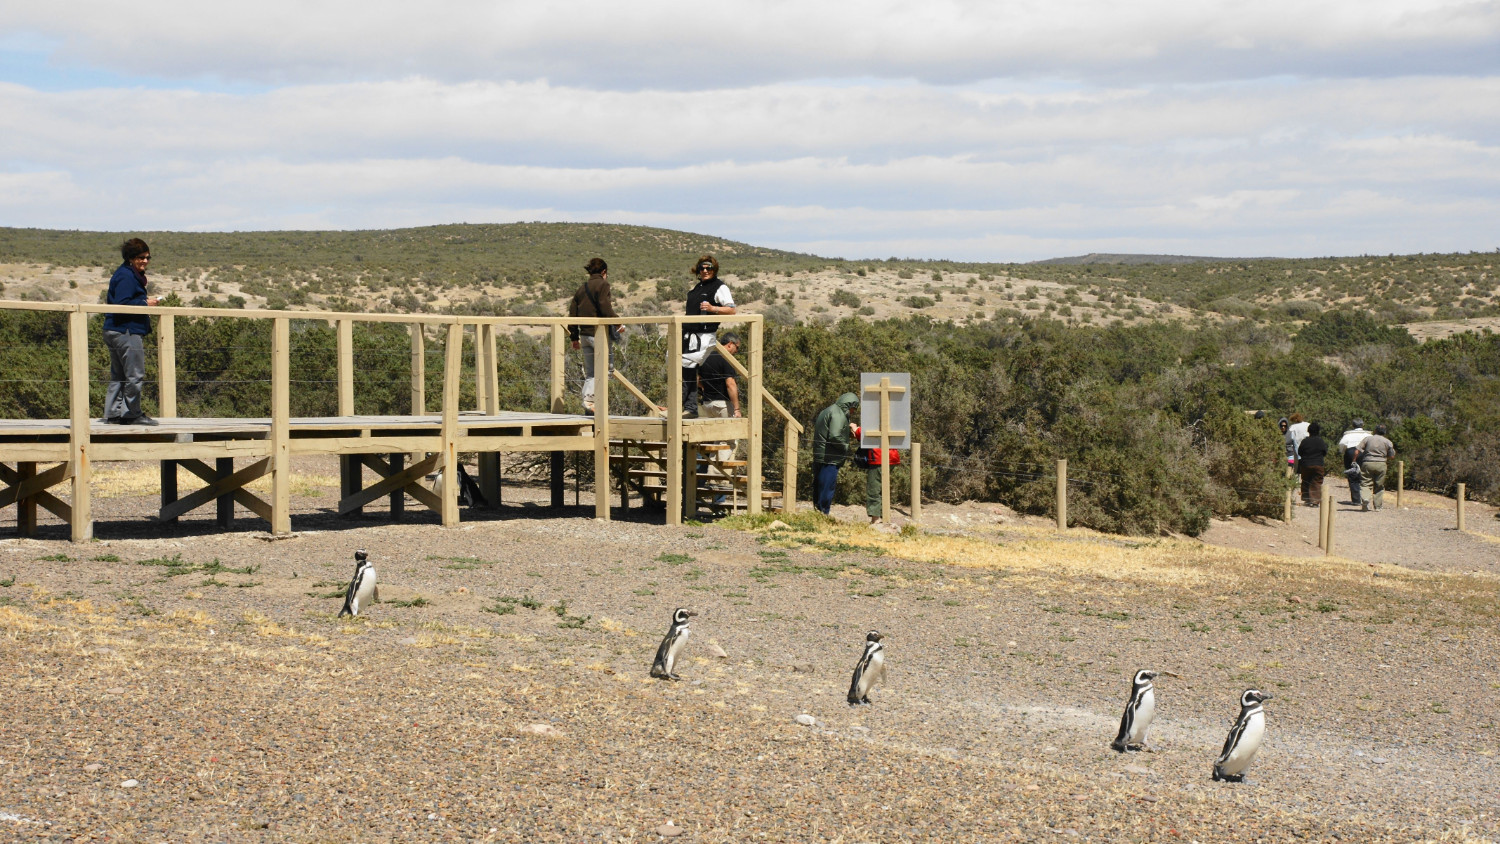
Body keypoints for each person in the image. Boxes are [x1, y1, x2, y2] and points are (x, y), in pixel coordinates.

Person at [102, 237, 161, 425]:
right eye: (140, 257)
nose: (145, 261)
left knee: (119, 375)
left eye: (147, 257)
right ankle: (131, 414)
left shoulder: (124, 274)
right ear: (130, 258)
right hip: (126, 330)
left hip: (114, 329)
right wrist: (145, 303)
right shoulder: (126, 276)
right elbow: (122, 303)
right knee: (135, 374)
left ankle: (113, 414)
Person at [681, 255, 735, 416]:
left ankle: (688, 408)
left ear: (714, 269)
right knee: (680, 367)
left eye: (708, 268)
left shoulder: (720, 287)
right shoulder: (697, 288)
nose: (705, 271)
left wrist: (713, 308)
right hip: (688, 335)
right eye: (702, 268)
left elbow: (732, 309)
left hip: (704, 335)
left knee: (688, 365)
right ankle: (686, 407)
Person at [567, 257, 620, 414]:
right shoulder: (603, 285)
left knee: (591, 372)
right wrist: (618, 323)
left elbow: (572, 313)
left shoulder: (582, 288)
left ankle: (590, 405)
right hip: (598, 335)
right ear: (604, 272)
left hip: (584, 335)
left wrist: (574, 337)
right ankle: (589, 400)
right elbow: (604, 306)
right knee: (607, 369)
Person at [696, 333, 743, 504]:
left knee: (706, 445)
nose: (736, 352)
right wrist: (736, 408)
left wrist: (706, 389)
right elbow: (730, 384)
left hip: (706, 404)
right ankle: (717, 489)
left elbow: (697, 380)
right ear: (730, 344)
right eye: (737, 348)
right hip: (723, 404)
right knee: (728, 443)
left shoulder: (706, 356)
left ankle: (697, 491)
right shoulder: (726, 359)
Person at [810, 393, 860, 516]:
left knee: (819, 486)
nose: (853, 412)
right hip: (830, 458)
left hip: (821, 455)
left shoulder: (828, 410)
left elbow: (830, 431)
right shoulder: (838, 414)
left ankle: (817, 514)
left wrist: (848, 432)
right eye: (854, 409)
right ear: (849, 405)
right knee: (827, 488)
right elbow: (835, 436)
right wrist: (846, 446)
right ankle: (823, 515)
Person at [856, 437, 902, 524]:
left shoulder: (875, 423)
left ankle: (876, 518)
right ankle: (884, 516)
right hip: (892, 457)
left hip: (878, 457)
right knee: (883, 488)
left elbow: (865, 433)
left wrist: (855, 429)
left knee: (874, 488)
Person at [1354, 425, 1397, 511]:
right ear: (1385, 432)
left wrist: (1354, 460)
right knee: (1379, 485)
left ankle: (1365, 499)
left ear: (1375, 430)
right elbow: (1392, 456)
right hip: (1381, 464)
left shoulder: (1368, 439)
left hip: (1367, 462)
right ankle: (1377, 506)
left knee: (1365, 483)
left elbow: (1357, 450)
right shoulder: (1388, 442)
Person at [1337, 419, 1371, 506]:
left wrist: (1342, 451)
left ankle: (1356, 500)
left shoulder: (1348, 435)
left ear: (1353, 425)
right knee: (1364, 476)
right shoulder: (1368, 435)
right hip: (1364, 454)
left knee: (1353, 476)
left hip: (1351, 453)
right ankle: (1365, 498)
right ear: (1363, 425)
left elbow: (1341, 445)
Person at [1297, 422, 1328, 506]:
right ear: (1318, 431)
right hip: (1318, 464)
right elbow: (1325, 452)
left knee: (1306, 480)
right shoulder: (1320, 441)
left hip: (1306, 464)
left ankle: (1307, 499)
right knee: (1316, 482)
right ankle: (1314, 501)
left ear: (1308, 431)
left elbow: (1299, 452)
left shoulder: (1305, 441)